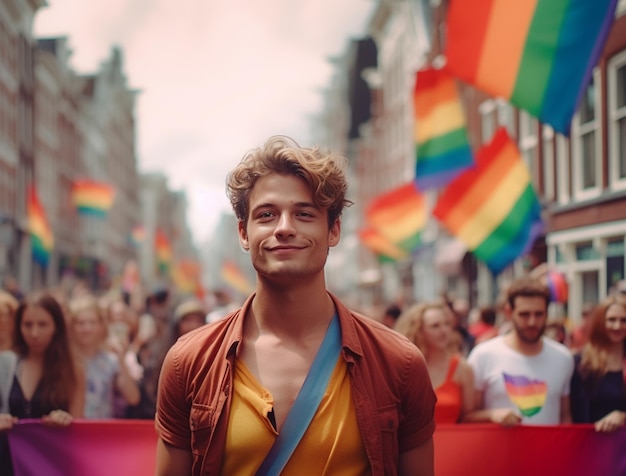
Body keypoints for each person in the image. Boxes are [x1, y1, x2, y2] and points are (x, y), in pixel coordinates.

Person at [155, 136, 436, 475]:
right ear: (244, 233)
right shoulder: (189, 362)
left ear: (333, 230)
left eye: (304, 214)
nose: (284, 228)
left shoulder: (399, 363)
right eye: (267, 215)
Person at [464, 277, 574, 426]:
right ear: (509, 313)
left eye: (539, 314)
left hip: (549, 449)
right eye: (524, 314)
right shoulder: (483, 355)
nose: (532, 322)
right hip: (498, 449)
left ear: (547, 313)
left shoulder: (563, 357)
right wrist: (492, 415)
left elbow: (565, 416)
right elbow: (466, 417)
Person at [0, 293, 85, 474]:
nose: (34, 333)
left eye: (43, 324)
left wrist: (65, 420)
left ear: (56, 327)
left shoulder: (72, 370)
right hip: (7, 464)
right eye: (27, 325)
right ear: (18, 326)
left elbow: (78, 427)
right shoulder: (5, 364)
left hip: (51, 465)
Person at [395, 301, 474, 424]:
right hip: (414, 442)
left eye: (447, 324)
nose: (444, 331)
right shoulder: (404, 368)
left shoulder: (462, 368)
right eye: (435, 326)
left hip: (453, 441)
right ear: (419, 331)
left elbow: (469, 417)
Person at [67, 294, 140, 419]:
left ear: (101, 326)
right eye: (80, 323)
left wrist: (121, 359)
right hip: (71, 433)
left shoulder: (110, 361)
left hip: (101, 433)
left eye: (92, 322)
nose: (87, 328)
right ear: (72, 326)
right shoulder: (65, 361)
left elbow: (132, 398)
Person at [570, 297, 626, 432]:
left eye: (623, 320)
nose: (617, 326)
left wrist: (623, 416)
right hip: (592, 445)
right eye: (611, 320)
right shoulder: (582, 362)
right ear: (600, 322)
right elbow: (572, 410)